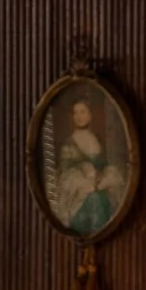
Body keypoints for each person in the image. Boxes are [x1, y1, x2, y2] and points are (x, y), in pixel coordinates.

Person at [53, 95, 124, 234]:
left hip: (99, 186)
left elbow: (104, 166)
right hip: (78, 193)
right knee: (95, 200)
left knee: (106, 200)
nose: (78, 116)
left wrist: (103, 180)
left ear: (90, 115)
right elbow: (65, 173)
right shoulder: (69, 144)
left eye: (82, 112)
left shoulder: (96, 139)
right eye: (75, 112)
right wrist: (86, 184)